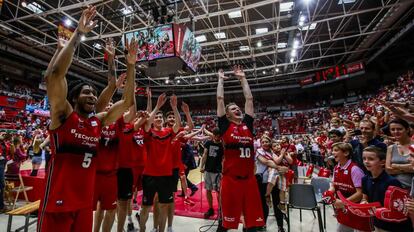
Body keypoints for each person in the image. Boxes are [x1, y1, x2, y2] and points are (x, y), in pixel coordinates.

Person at [37, 6, 136, 231]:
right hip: (57, 204)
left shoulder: (97, 122)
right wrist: (77, 35)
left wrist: (131, 65)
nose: (91, 95)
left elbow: (127, 102)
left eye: (93, 92)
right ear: (74, 97)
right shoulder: (62, 115)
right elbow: (55, 75)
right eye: (86, 92)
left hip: (84, 205)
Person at [216, 66, 264, 231]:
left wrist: (243, 79)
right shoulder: (224, 126)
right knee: (226, 224)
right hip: (231, 180)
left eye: (238, 107)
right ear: (227, 115)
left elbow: (249, 100)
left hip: (249, 180)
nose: (237, 109)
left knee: (251, 224)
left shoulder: (248, 125)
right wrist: (221, 79)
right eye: (233, 109)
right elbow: (220, 99)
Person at [139, 94, 181, 232]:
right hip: (149, 175)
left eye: (159, 117)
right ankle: (142, 229)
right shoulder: (148, 132)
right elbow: (146, 123)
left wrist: (174, 108)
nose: (157, 118)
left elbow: (178, 125)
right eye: (155, 117)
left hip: (166, 176)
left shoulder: (169, 132)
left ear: (163, 121)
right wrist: (157, 106)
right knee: (145, 207)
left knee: (163, 206)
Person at [361, 146, 412, 231]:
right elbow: (364, 198)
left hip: (394, 226)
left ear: (382, 162)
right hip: (377, 223)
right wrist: (363, 202)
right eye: (364, 158)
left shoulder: (392, 182)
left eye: (371, 159)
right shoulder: (365, 179)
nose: (366, 161)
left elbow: (400, 208)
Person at [327, 142, 366, 232]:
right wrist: (330, 192)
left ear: (346, 153)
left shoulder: (354, 169)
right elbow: (334, 185)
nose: (332, 152)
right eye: (332, 150)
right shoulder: (336, 167)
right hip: (343, 208)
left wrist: (343, 203)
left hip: (356, 209)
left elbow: (360, 194)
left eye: (336, 150)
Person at [255, 136, 286, 232]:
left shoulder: (273, 152)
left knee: (277, 204)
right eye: (263, 142)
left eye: (267, 141)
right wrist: (279, 168)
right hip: (263, 182)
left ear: (270, 142)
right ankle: (262, 224)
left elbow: (285, 162)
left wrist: (284, 169)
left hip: (275, 181)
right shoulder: (258, 151)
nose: (265, 143)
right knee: (264, 205)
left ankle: (280, 226)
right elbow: (266, 162)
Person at [200, 128, 224, 219]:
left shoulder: (222, 145)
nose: (217, 137)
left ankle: (220, 209)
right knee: (208, 190)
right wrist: (202, 166)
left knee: (218, 191)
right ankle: (211, 209)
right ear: (213, 135)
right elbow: (205, 154)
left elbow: (224, 158)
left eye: (219, 136)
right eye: (216, 136)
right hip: (208, 170)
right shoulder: (208, 143)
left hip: (218, 171)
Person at [385, 118, 414, 189]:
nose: (396, 132)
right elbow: (388, 170)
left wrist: (395, 165)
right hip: (396, 188)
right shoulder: (391, 148)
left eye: (399, 129)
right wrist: (408, 168)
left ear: (407, 129)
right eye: (393, 129)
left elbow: (413, 168)